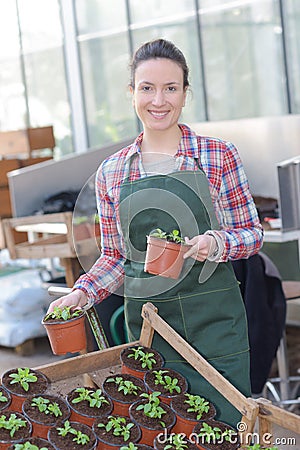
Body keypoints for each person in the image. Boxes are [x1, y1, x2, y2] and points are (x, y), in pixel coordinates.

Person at [47, 38, 263, 426]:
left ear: (185, 94)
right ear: (132, 93)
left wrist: (214, 242)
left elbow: (251, 233)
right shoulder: (113, 172)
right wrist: (81, 292)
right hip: (151, 326)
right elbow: (115, 257)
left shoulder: (217, 154)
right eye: (147, 88)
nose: (158, 100)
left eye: (171, 88)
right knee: (160, 427)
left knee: (227, 426)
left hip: (215, 325)